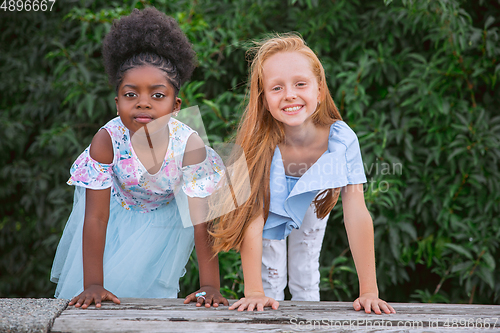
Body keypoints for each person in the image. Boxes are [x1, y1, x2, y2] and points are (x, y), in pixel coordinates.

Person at [50, 7, 228, 309]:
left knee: (154, 298)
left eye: (157, 95)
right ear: (117, 100)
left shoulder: (190, 144)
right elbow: (96, 217)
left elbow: (201, 221)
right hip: (116, 212)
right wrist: (93, 283)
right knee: (104, 297)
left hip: (168, 217)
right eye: (131, 94)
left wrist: (209, 286)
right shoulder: (106, 141)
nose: (143, 102)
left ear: (176, 105)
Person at [209, 34, 396, 314]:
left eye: (300, 84)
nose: (290, 95)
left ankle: (308, 322)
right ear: (263, 98)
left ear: (319, 90)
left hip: (311, 197)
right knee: (271, 272)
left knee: (305, 267)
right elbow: (253, 217)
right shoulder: (260, 144)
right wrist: (254, 292)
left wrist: (369, 291)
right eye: (276, 88)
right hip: (269, 204)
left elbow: (356, 213)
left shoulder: (341, 140)